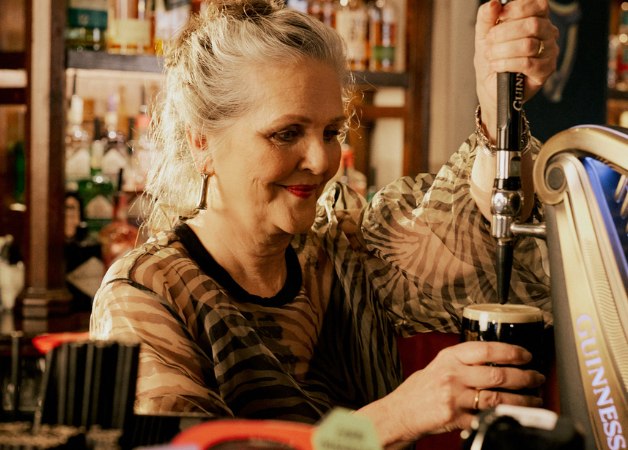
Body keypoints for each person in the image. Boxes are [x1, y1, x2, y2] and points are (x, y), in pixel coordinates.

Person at [90, 0, 559, 447]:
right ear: (202, 143)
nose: (320, 161)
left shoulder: (343, 248)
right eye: (286, 133)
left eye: (331, 132)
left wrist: (497, 108)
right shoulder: (148, 293)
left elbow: (475, 234)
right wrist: (395, 418)